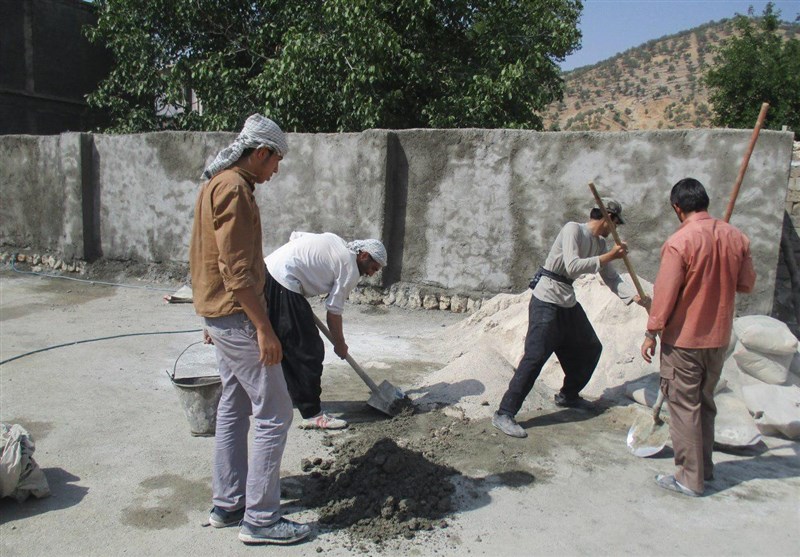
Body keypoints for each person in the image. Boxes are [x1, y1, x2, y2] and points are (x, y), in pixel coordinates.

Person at [189, 114, 310, 545]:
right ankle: (260, 518)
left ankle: (228, 504)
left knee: (234, 405)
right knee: (275, 411)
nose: (275, 170)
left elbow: (212, 260)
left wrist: (212, 318)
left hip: (222, 315)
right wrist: (264, 329)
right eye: (275, 161)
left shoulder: (216, 183)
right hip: (238, 317)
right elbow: (237, 269)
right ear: (260, 153)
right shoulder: (235, 189)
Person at [641, 178, 755, 497]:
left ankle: (689, 479)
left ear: (678, 209)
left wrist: (651, 332)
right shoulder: (736, 237)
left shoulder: (680, 242)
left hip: (684, 341)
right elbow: (746, 285)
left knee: (684, 407)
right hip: (718, 339)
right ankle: (705, 468)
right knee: (705, 402)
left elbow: (664, 296)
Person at [493, 199, 645, 438]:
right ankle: (504, 413)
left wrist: (634, 296)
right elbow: (573, 266)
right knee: (535, 356)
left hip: (567, 300)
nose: (615, 229)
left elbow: (611, 277)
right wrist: (610, 256)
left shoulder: (600, 243)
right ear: (607, 218)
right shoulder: (573, 229)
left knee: (591, 347)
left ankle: (568, 395)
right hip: (547, 298)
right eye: (615, 223)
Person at [264, 232, 387, 430]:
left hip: (266, 272)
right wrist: (340, 343)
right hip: (284, 282)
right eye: (373, 268)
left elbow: (295, 236)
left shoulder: (336, 240)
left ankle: (292, 396)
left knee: (287, 344)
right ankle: (312, 413)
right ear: (364, 256)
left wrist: (302, 268)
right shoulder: (350, 268)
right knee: (308, 350)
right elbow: (333, 311)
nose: (372, 274)